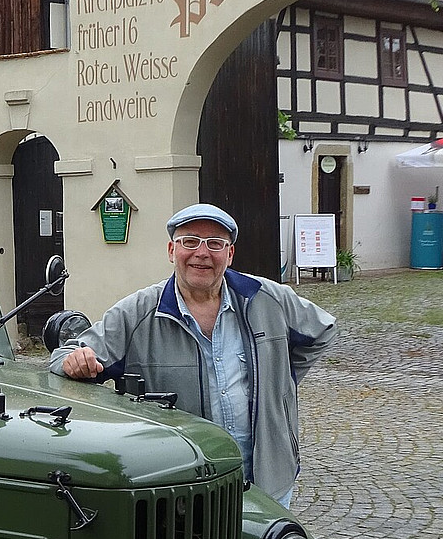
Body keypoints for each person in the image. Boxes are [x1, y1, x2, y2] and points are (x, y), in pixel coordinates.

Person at [49, 204, 337, 507]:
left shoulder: (265, 298)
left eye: (215, 243)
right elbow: (65, 357)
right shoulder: (138, 312)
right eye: (190, 241)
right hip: (183, 488)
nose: (202, 253)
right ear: (172, 250)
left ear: (230, 254)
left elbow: (323, 330)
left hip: (268, 479)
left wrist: (279, 384)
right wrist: (74, 361)